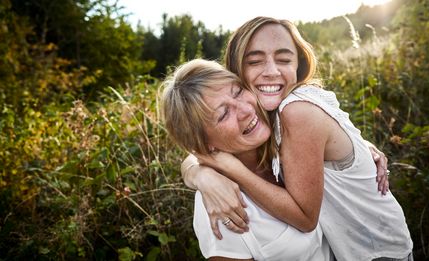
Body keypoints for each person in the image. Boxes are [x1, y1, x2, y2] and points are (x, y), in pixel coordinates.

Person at [182, 17, 413, 260]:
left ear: (298, 66)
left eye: (284, 59)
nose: (272, 71)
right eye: (255, 61)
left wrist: (233, 169)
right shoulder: (267, 110)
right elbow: (201, 146)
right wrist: (200, 174)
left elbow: (305, 218)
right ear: (237, 70)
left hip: (376, 252)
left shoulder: (296, 110)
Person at [161, 59, 332, 260]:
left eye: (238, 92)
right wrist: (202, 173)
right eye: (224, 114)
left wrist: (363, 149)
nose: (246, 110)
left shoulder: (284, 128)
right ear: (205, 143)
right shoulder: (221, 204)